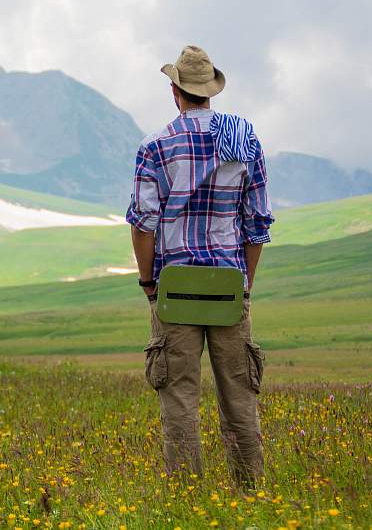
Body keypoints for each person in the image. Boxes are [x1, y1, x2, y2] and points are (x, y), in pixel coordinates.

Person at [125, 45, 274, 488]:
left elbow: (142, 225)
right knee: (239, 400)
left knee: (179, 401)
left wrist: (149, 283)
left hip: (175, 287)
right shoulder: (244, 141)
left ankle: (188, 500)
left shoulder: (155, 146)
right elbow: (257, 224)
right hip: (228, 285)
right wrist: (244, 286)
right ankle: (250, 493)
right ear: (210, 91)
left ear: (175, 91)